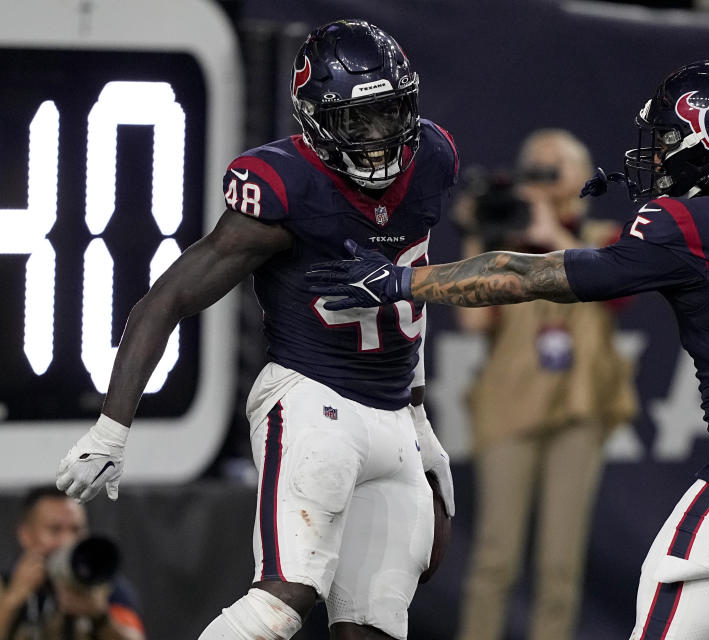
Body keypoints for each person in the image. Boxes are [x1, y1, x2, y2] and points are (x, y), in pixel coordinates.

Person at [305, 60, 709, 639]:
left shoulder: (687, 223)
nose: (657, 155)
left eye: (668, 139)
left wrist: (403, 281)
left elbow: (533, 276)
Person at [54, 19, 457, 640]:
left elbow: (411, 297)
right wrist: (112, 426)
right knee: (283, 600)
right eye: (357, 122)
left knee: (375, 625)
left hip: (393, 410)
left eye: (389, 113)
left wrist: (420, 417)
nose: (378, 139)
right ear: (315, 120)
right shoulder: (284, 188)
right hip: (313, 395)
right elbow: (166, 300)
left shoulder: (430, 158)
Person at [454, 129, 637, 640]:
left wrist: (549, 229)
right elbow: (473, 324)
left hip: (579, 408)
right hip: (509, 406)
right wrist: (479, 235)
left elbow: (616, 292)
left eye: (554, 167)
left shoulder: (605, 241)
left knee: (560, 562)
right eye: (534, 167)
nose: (544, 177)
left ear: (583, 177)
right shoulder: (507, 246)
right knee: (495, 556)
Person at [0, 486, 145, 640]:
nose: (68, 541)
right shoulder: (6, 584)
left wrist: (99, 616)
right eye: (55, 530)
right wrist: (12, 601)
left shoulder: (105, 587)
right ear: (26, 535)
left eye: (76, 530)